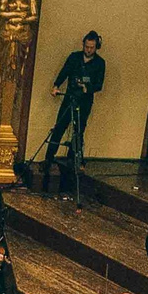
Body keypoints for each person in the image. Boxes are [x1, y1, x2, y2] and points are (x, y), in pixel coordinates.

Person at [46, 30, 104, 183]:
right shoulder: (74, 57)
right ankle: (48, 159)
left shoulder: (100, 63)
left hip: (84, 101)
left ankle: (74, 161)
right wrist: (56, 85)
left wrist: (87, 88)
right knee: (59, 128)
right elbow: (64, 72)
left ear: (96, 47)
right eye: (86, 47)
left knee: (78, 132)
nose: (88, 50)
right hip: (70, 97)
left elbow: (99, 84)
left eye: (92, 47)